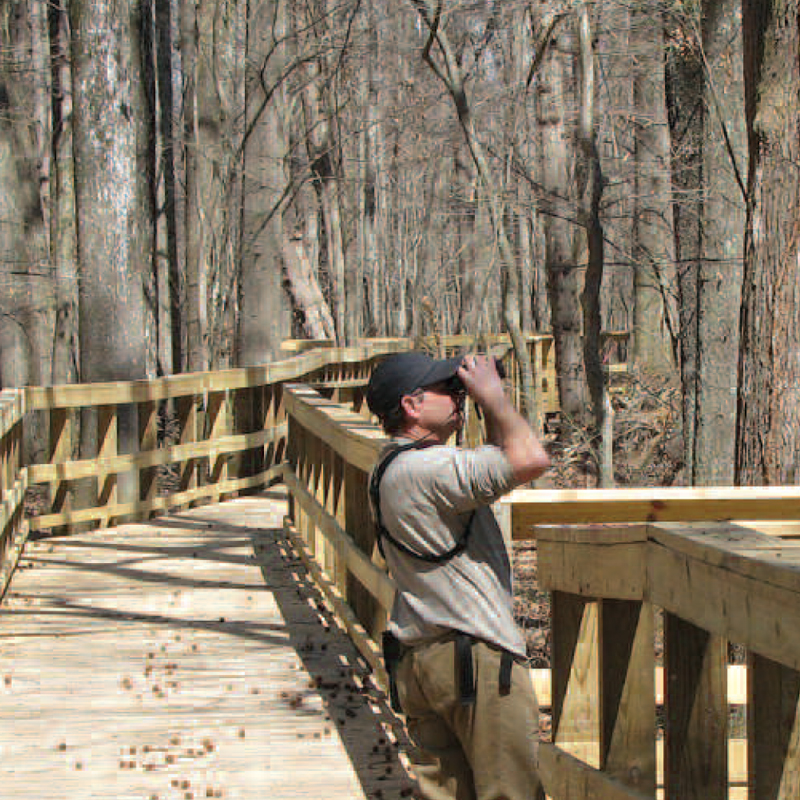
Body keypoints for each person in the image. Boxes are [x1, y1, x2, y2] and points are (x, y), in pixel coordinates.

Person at [365, 350, 550, 800]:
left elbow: (496, 459)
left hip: (422, 659)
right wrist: (494, 399)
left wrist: (484, 404)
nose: (458, 397)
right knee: (511, 792)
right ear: (411, 406)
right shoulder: (430, 470)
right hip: (474, 659)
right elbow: (529, 459)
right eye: (447, 390)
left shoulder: (392, 466)